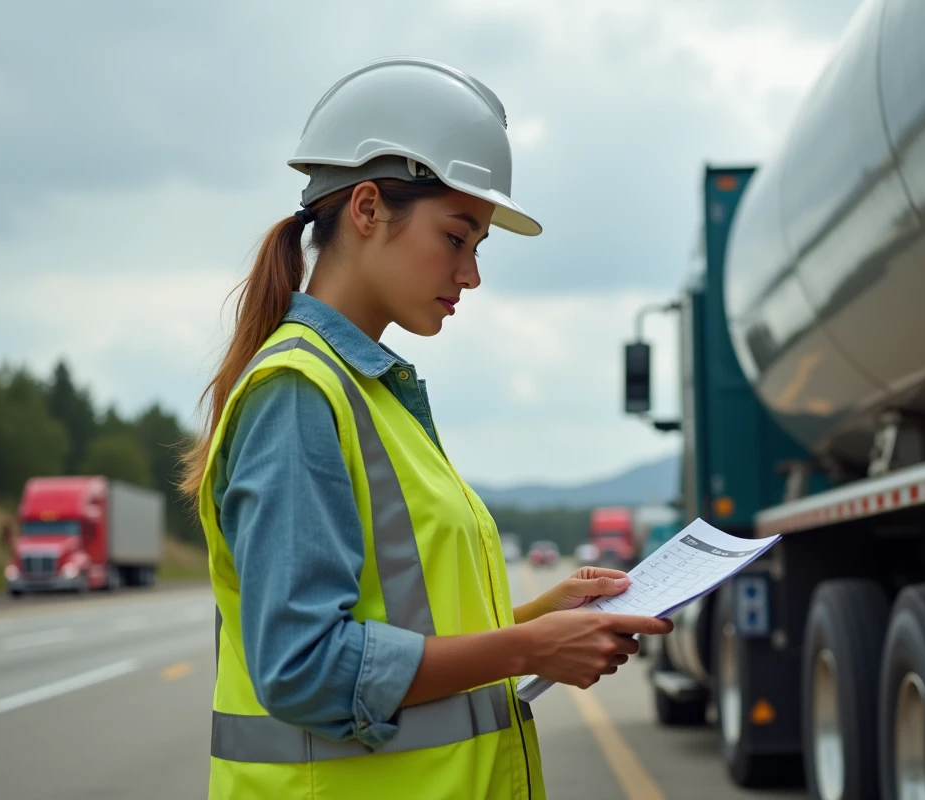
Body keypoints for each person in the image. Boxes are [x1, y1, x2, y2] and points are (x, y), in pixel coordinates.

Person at [178, 56, 674, 800]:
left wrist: (543, 613)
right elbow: (304, 668)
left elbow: (402, 622)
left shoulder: (370, 393)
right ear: (369, 208)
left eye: (477, 247)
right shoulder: (299, 395)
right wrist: (527, 647)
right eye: (456, 237)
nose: (470, 275)